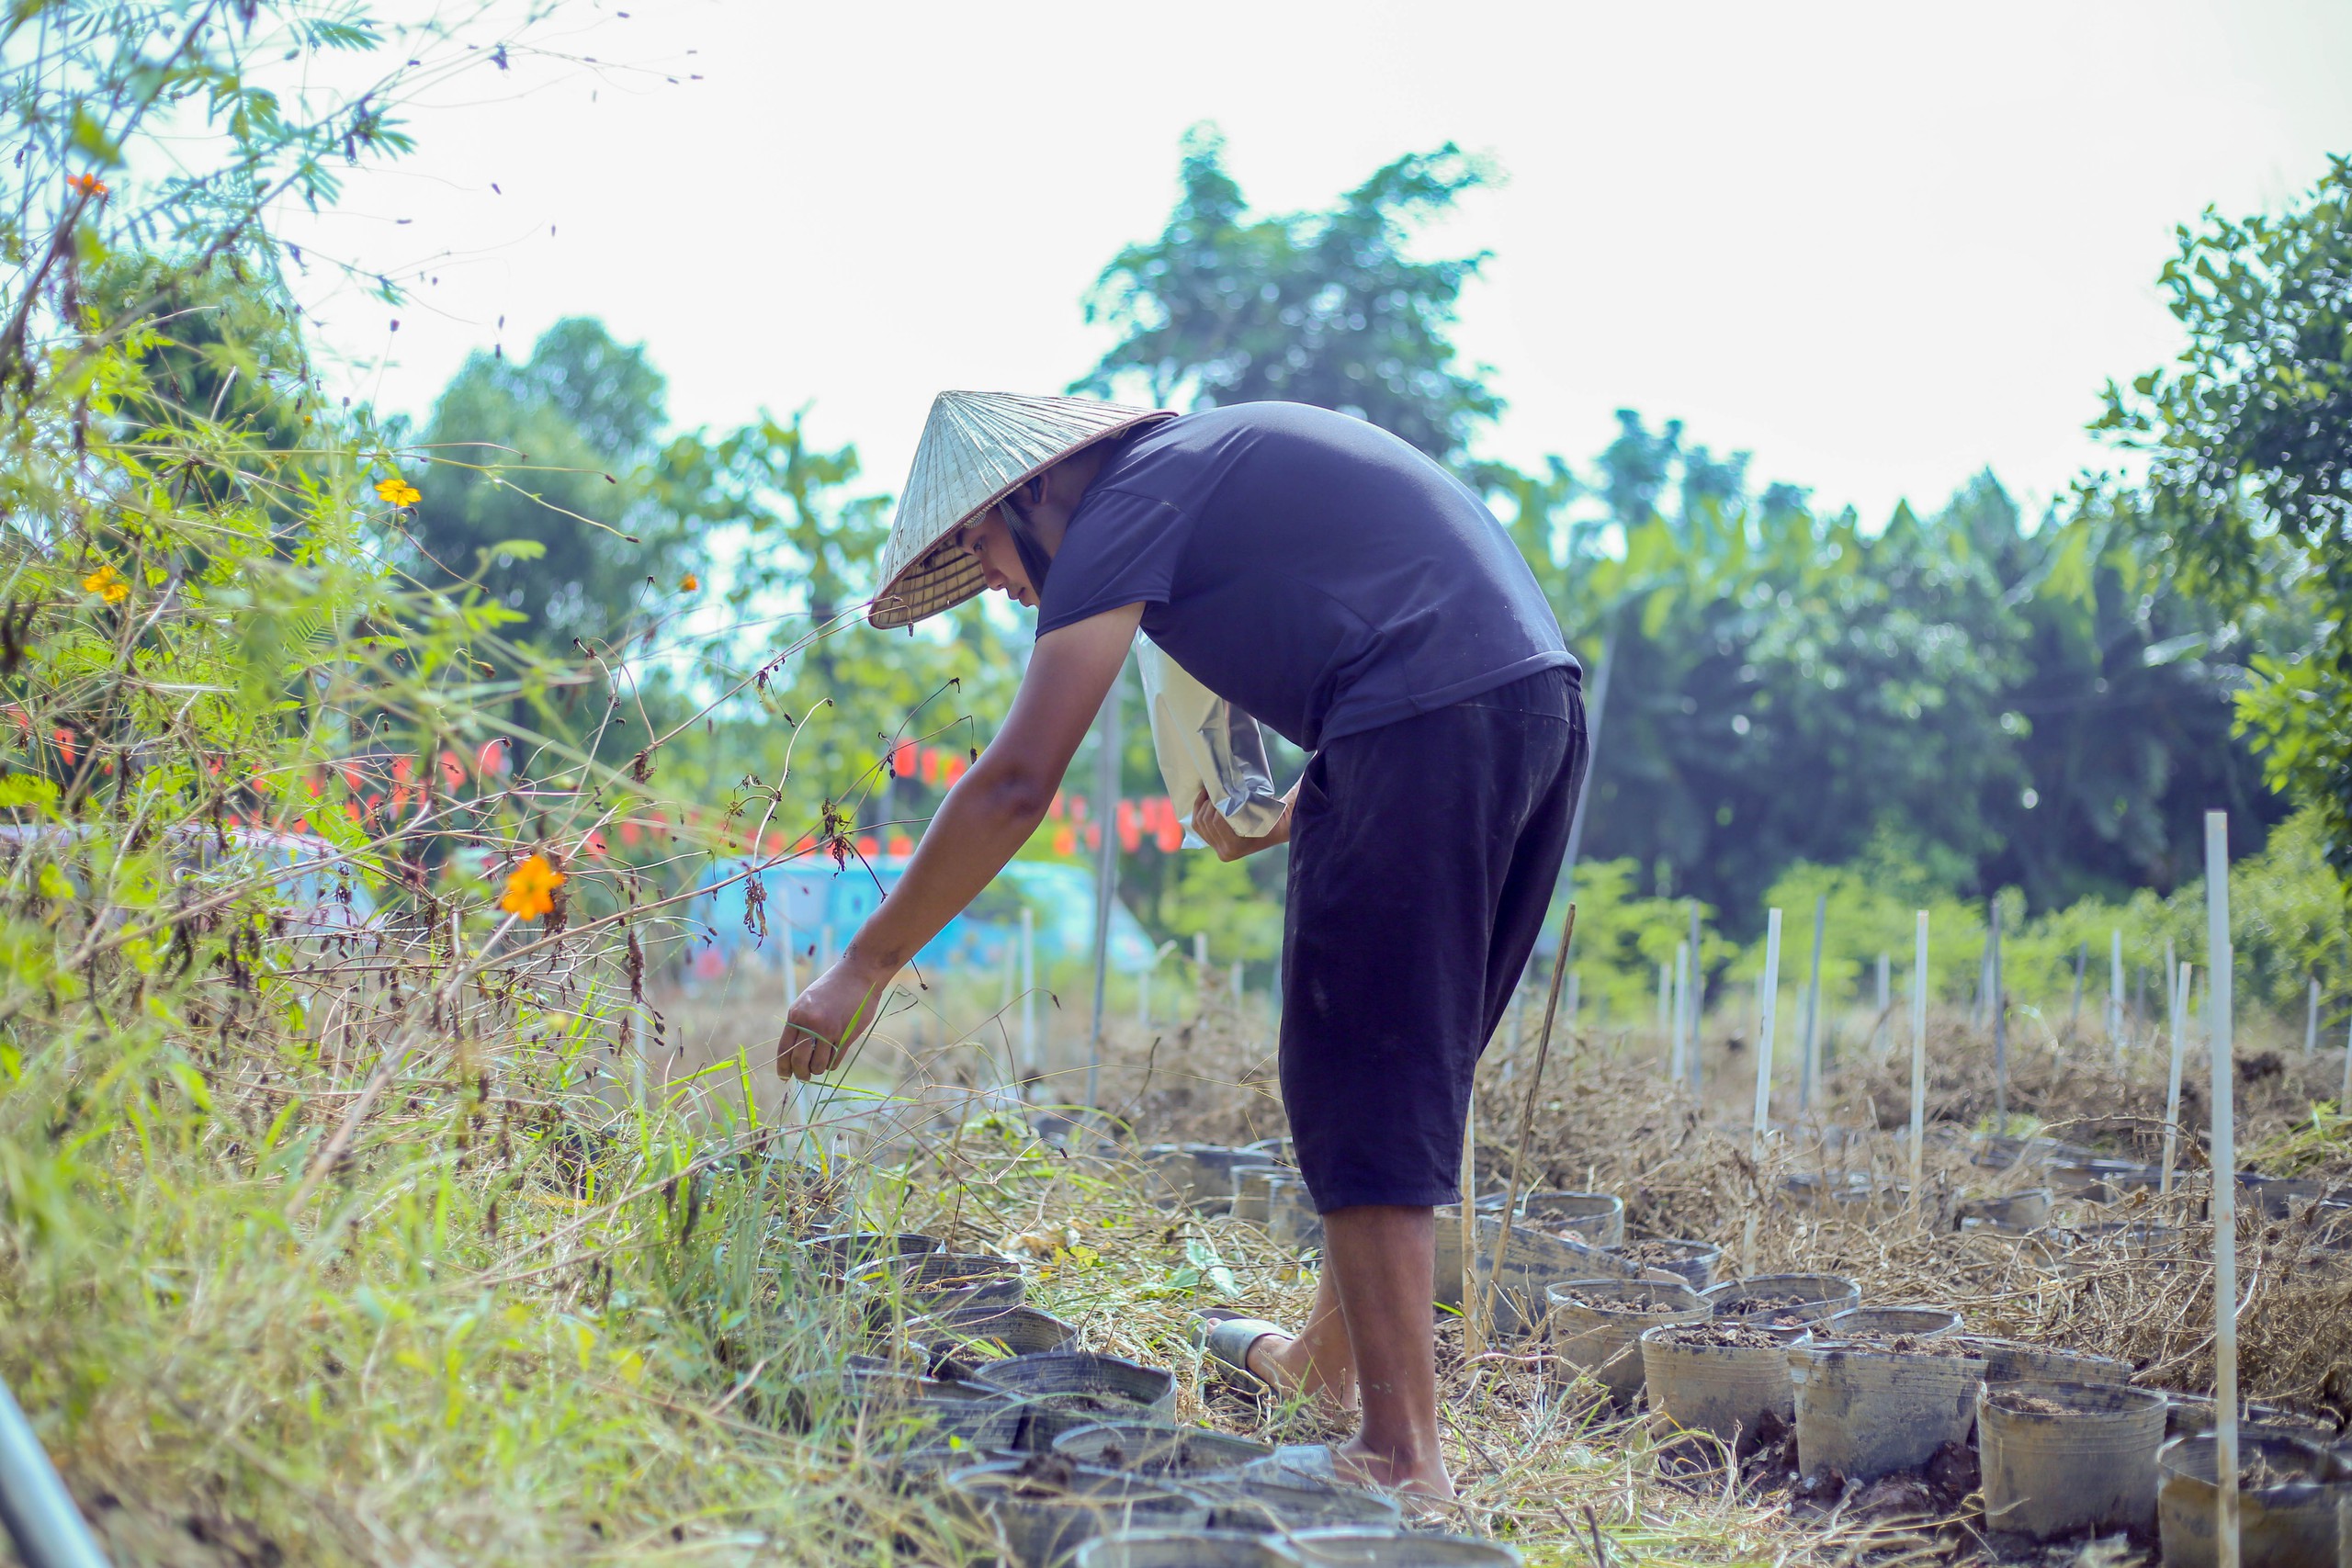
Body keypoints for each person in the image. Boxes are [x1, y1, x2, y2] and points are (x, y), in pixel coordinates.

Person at [778, 390, 1586, 1500]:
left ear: (1032, 492)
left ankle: (1400, 1460)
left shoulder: (1121, 504)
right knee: (1401, 1059)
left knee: (1362, 1073)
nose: (1004, 591)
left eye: (983, 552)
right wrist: (1311, 795)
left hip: (1424, 719)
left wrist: (862, 964)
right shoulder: (1196, 472)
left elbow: (1017, 781)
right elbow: (1399, 622)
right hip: (1530, 706)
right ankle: (1319, 1371)